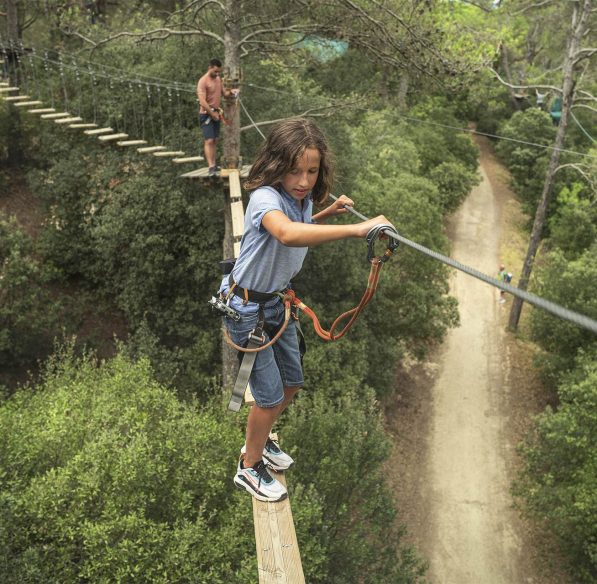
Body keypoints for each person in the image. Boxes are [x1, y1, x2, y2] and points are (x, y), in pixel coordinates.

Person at [219, 118, 393, 502]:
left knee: (293, 382)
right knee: (266, 397)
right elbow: (286, 233)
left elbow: (300, 226)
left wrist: (328, 213)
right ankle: (248, 467)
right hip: (247, 308)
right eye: (294, 170)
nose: (303, 179)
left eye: (311, 171)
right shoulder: (266, 198)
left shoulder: (302, 201)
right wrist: (357, 229)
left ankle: (259, 442)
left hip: (275, 303)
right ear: (276, 165)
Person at [196, 58, 232, 176]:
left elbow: (225, 94)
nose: (217, 74)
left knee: (215, 140)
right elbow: (202, 102)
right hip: (206, 114)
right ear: (210, 67)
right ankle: (211, 166)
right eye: (215, 71)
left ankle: (214, 164)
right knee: (209, 140)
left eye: (218, 72)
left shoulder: (218, 79)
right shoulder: (203, 81)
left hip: (216, 113)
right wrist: (212, 114)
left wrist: (233, 92)